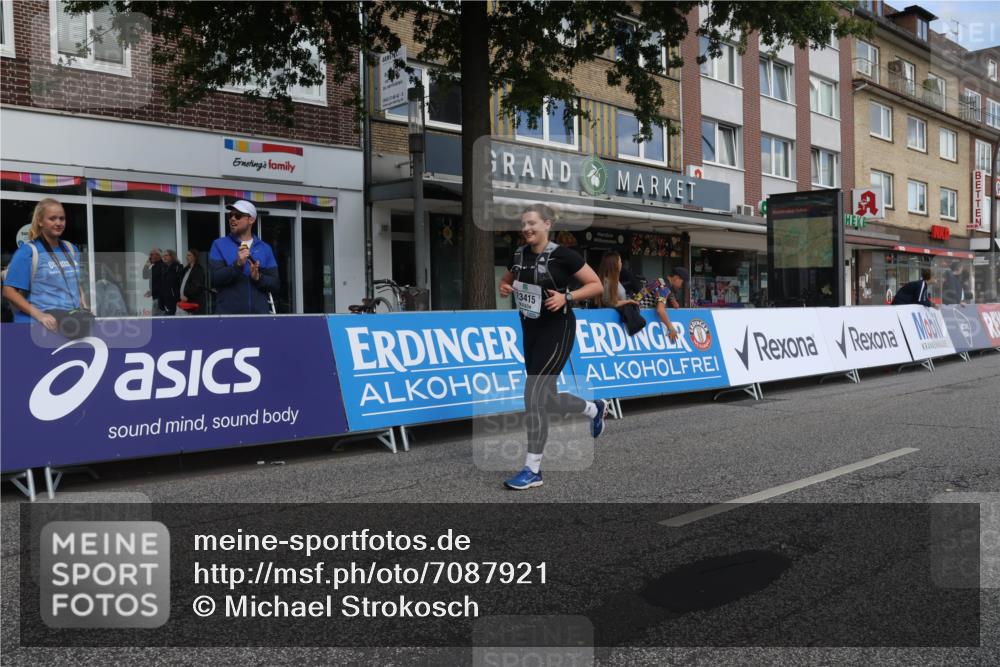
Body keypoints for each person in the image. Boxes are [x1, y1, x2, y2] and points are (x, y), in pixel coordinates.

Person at [497, 203, 608, 490]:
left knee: (532, 394)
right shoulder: (519, 255)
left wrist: (566, 298)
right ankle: (593, 409)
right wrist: (506, 288)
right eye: (524, 224)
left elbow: (596, 286)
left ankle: (532, 470)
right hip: (530, 330)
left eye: (532, 223)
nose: (527, 229)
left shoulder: (563, 255)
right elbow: (506, 281)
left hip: (558, 330)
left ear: (547, 224)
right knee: (546, 398)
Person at [1, 198, 88, 331]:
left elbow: (75, 282)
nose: (58, 223)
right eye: (52, 219)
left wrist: (83, 305)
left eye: (62, 218)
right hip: (35, 327)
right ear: (40, 221)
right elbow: (8, 292)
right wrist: (40, 315)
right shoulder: (28, 251)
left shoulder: (71, 249)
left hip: (68, 324)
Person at [209, 200, 280, 315]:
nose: (232, 218)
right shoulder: (219, 244)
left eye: (237, 215)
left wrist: (258, 278)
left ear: (251, 220)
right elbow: (215, 278)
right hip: (229, 319)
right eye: (230, 215)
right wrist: (237, 265)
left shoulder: (265, 248)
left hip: (259, 318)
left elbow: (275, 284)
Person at [632, 267, 689, 343]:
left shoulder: (660, 281)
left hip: (634, 308)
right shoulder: (664, 288)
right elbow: (660, 310)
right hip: (638, 316)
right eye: (682, 283)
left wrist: (673, 300)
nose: (681, 286)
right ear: (676, 278)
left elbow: (665, 293)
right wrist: (671, 328)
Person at [178, 249, 207, 314]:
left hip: (194, 303)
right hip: (185, 302)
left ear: (195, 257)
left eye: (189, 255)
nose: (186, 257)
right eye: (186, 255)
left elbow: (197, 286)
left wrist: (187, 297)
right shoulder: (186, 269)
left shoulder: (198, 270)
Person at [158, 249, 183, 315]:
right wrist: (161, 301)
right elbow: (162, 287)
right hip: (166, 302)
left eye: (166, 255)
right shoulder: (163, 269)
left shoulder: (178, 268)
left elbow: (179, 285)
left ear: (172, 256)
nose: (164, 257)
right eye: (163, 256)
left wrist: (177, 298)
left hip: (175, 301)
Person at [142, 248, 164, 313]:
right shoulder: (154, 266)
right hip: (156, 297)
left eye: (151, 254)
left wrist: (152, 291)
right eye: (150, 255)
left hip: (160, 298)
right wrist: (146, 265)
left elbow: (161, 283)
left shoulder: (162, 266)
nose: (150, 256)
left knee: (157, 318)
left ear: (158, 255)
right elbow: (145, 276)